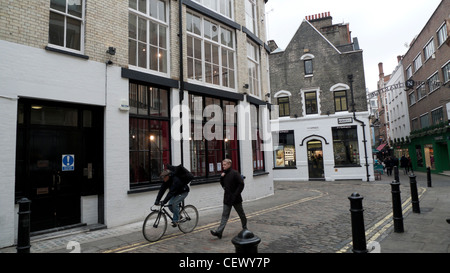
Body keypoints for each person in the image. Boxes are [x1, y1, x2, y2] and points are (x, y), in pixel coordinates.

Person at [210, 159, 247, 239]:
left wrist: (235, 194)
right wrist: (221, 178)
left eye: (225, 165)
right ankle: (219, 232)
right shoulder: (224, 174)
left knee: (241, 214)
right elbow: (223, 185)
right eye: (223, 165)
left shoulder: (235, 173)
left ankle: (244, 227)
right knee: (224, 216)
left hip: (236, 199)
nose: (223, 166)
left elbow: (241, 184)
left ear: (229, 165)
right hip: (227, 198)